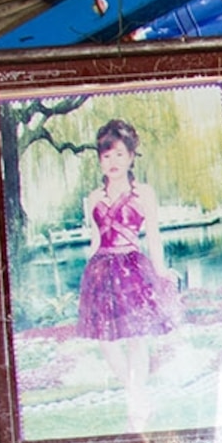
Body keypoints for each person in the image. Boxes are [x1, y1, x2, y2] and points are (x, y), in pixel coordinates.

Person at [76, 118, 179, 425]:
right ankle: (136, 392)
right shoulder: (93, 198)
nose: (113, 161)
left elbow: (154, 237)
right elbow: (96, 240)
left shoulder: (144, 193)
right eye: (106, 156)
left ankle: (136, 400)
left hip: (133, 269)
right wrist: (87, 276)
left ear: (131, 156)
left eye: (119, 154)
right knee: (106, 341)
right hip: (102, 271)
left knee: (137, 338)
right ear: (99, 160)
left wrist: (161, 271)